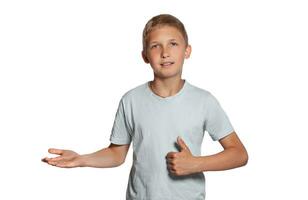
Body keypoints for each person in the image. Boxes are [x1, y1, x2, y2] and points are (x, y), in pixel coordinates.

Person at [42, 13, 248, 200]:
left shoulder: (204, 101)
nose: (165, 52)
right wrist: (81, 159)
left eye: (173, 44)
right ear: (145, 56)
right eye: (155, 46)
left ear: (187, 51)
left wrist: (196, 163)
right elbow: (116, 154)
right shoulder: (131, 100)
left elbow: (239, 154)